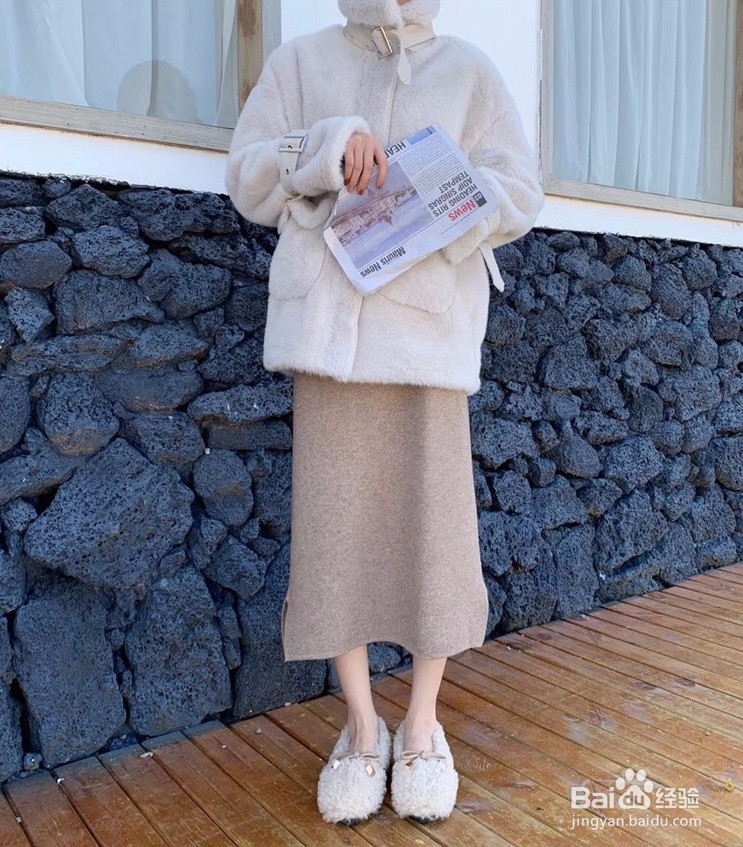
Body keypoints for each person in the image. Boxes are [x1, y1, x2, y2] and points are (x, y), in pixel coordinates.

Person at [225, 0, 544, 826]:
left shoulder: (468, 70)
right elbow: (246, 173)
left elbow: (519, 192)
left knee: (434, 535)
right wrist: (328, 149)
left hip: (426, 337)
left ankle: (423, 724)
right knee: (333, 534)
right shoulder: (301, 63)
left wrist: (446, 190)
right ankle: (362, 727)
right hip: (328, 339)